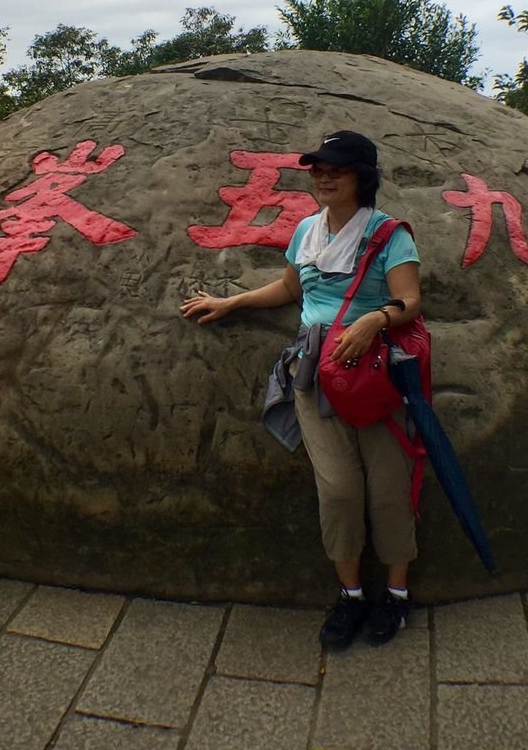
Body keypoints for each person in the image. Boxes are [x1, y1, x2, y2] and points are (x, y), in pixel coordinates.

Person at [181, 130, 422, 649]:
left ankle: (397, 597)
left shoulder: (389, 234)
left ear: (363, 175)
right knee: (338, 490)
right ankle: (352, 594)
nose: (324, 176)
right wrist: (233, 302)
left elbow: (410, 299)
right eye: (317, 168)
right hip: (317, 371)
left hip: (375, 374)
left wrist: (374, 321)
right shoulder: (308, 230)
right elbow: (293, 287)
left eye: (336, 167)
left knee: (388, 490)